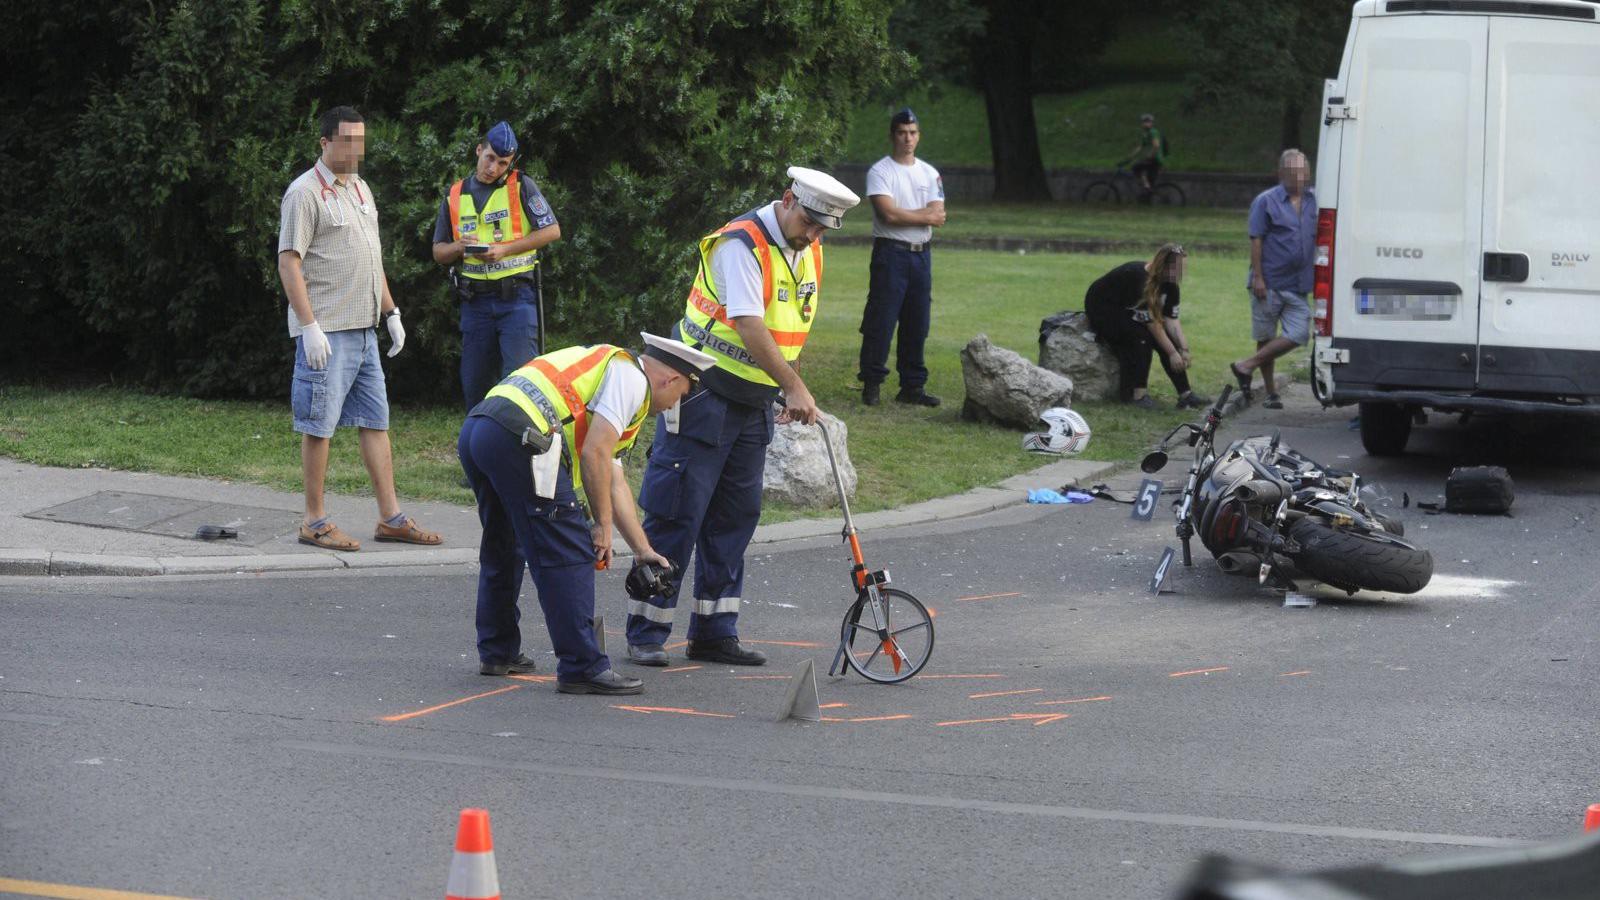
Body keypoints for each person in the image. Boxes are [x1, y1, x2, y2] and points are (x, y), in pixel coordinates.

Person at [624, 167, 861, 667]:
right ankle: (647, 630)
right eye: (811, 222)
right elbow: (751, 325)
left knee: (735, 518)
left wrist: (781, 386)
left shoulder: (808, 248)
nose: (815, 235)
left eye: (824, 228)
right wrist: (794, 386)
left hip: (751, 402)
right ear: (787, 199)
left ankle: (714, 631)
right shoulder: (741, 243)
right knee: (678, 512)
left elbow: (791, 327)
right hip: (700, 392)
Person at [457, 334, 715, 694]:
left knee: (505, 543)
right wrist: (601, 527)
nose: (677, 403)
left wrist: (642, 549)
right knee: (570, 552)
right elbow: (595, 453)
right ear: (669, 378)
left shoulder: (608, 368)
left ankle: (498, 651)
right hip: (525, 438)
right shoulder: (631, 380)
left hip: (482, 427)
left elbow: (613, 480)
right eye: (682, 394)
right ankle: (582, 666)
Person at [277, 105, 443, 552]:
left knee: (375, 421)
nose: (355, 150)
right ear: (325, 143)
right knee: (320, 425)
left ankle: (391, 517)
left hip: (365, 328)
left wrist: (391, 313)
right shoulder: (304, 193)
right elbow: (289, 261)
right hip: (327, 333)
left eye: (360, 140)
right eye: (346, 141)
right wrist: (308, 326)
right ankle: (313, 519)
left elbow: (372, 258)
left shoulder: (362, 189)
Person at [432, 121, 562, 410]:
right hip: (474, 303)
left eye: (502, 163)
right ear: (479, 150)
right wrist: (458, 247)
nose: (494, 168)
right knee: (476, 386)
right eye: (490, 158)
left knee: (522, 385)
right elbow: (439, 252)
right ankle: (480, 449)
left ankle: (522, 451)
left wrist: (504, 249)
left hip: (516, 300)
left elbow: (552, 230)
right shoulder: (454, 194)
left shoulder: (521, 185)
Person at [857, 107, 946, 407]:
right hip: (891, 254)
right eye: (902, 133)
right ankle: (871, 382)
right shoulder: (881, 172)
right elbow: (888, 214)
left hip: (921, 256)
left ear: (918, 136)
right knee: (881, 319)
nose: (908, 139)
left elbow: (939, 215)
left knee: (917, 321)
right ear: (893, 135)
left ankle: (912, 386)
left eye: (913, 133)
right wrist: (923, 216)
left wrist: (909, 215)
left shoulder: (929, 173)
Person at [1231, 149, 1316, 410]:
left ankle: (1245, 366)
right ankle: (1270, 393)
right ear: (1281, 174)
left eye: (1303, 172)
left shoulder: (1316, 200)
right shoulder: (1266, 201)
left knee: (1300, 332)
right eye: (1294, 173)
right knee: (1266, 337)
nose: (1300, 178)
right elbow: (1256, 240)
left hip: (1298, 284)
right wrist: (1258, 277)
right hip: (1268, 281)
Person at [1084, 243, 1211, 410]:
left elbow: (1172, 320)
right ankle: (1138, 395)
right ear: (1162, 265)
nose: (1180, 273)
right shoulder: (1139, 279)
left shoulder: (1171, 284)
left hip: (1128, 310)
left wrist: (1183, 349)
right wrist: (1172, 353)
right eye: (1177, 268)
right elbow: (1152, 325)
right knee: (1142, 337)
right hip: (1105, 309)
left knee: (1167, 338)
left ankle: (1185, 395)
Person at [1122, 113, 1166, 201]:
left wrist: (1150, 155)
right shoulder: (1145, 133)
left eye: (1148, 122)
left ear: (1151, 123)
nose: (1145, 124)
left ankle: (1146, 186)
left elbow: (1156, 145)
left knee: (1136, 167)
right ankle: (1147, 192)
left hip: (1155, 158)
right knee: (1149, 179)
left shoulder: (1153, 132)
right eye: (1144, 122)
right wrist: (1131, 156)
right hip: (1151, 159)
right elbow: (1140, 147)